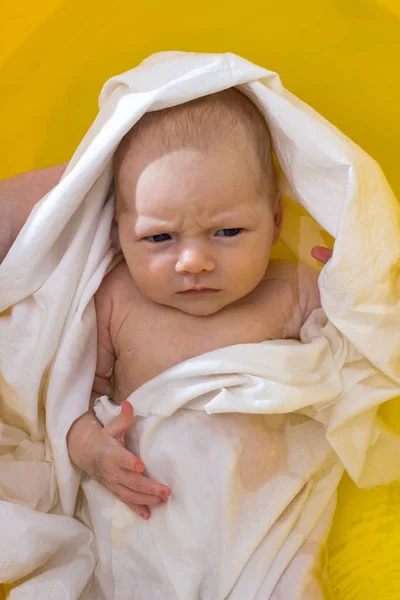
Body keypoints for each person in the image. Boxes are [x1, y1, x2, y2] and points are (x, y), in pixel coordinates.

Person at [0, 92, 333, 520]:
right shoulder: (115, 298)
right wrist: (93, 453)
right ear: (119, 232)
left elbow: (368, 343)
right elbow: (71, 405)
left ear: (275, 222)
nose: (193, 261)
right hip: (150, 515)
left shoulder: (294, 288)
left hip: (270, 514)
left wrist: (352, 287)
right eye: (159, 238)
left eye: (228, 231)